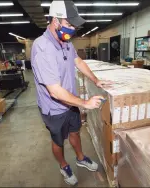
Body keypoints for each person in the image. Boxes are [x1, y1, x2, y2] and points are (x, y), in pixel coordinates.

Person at [31, 0, 110, 186]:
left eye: (74, 25)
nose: (72, 29)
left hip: (71, 103)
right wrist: (85, 102)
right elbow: (55, 92)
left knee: (75, 132)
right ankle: (63, 165)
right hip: (54, 108)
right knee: (58, 141)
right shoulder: (42, 48)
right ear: (55, 20)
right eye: (69, 24)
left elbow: (78, 62)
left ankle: (80, 158)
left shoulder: (66, 41)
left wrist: (95, 79)